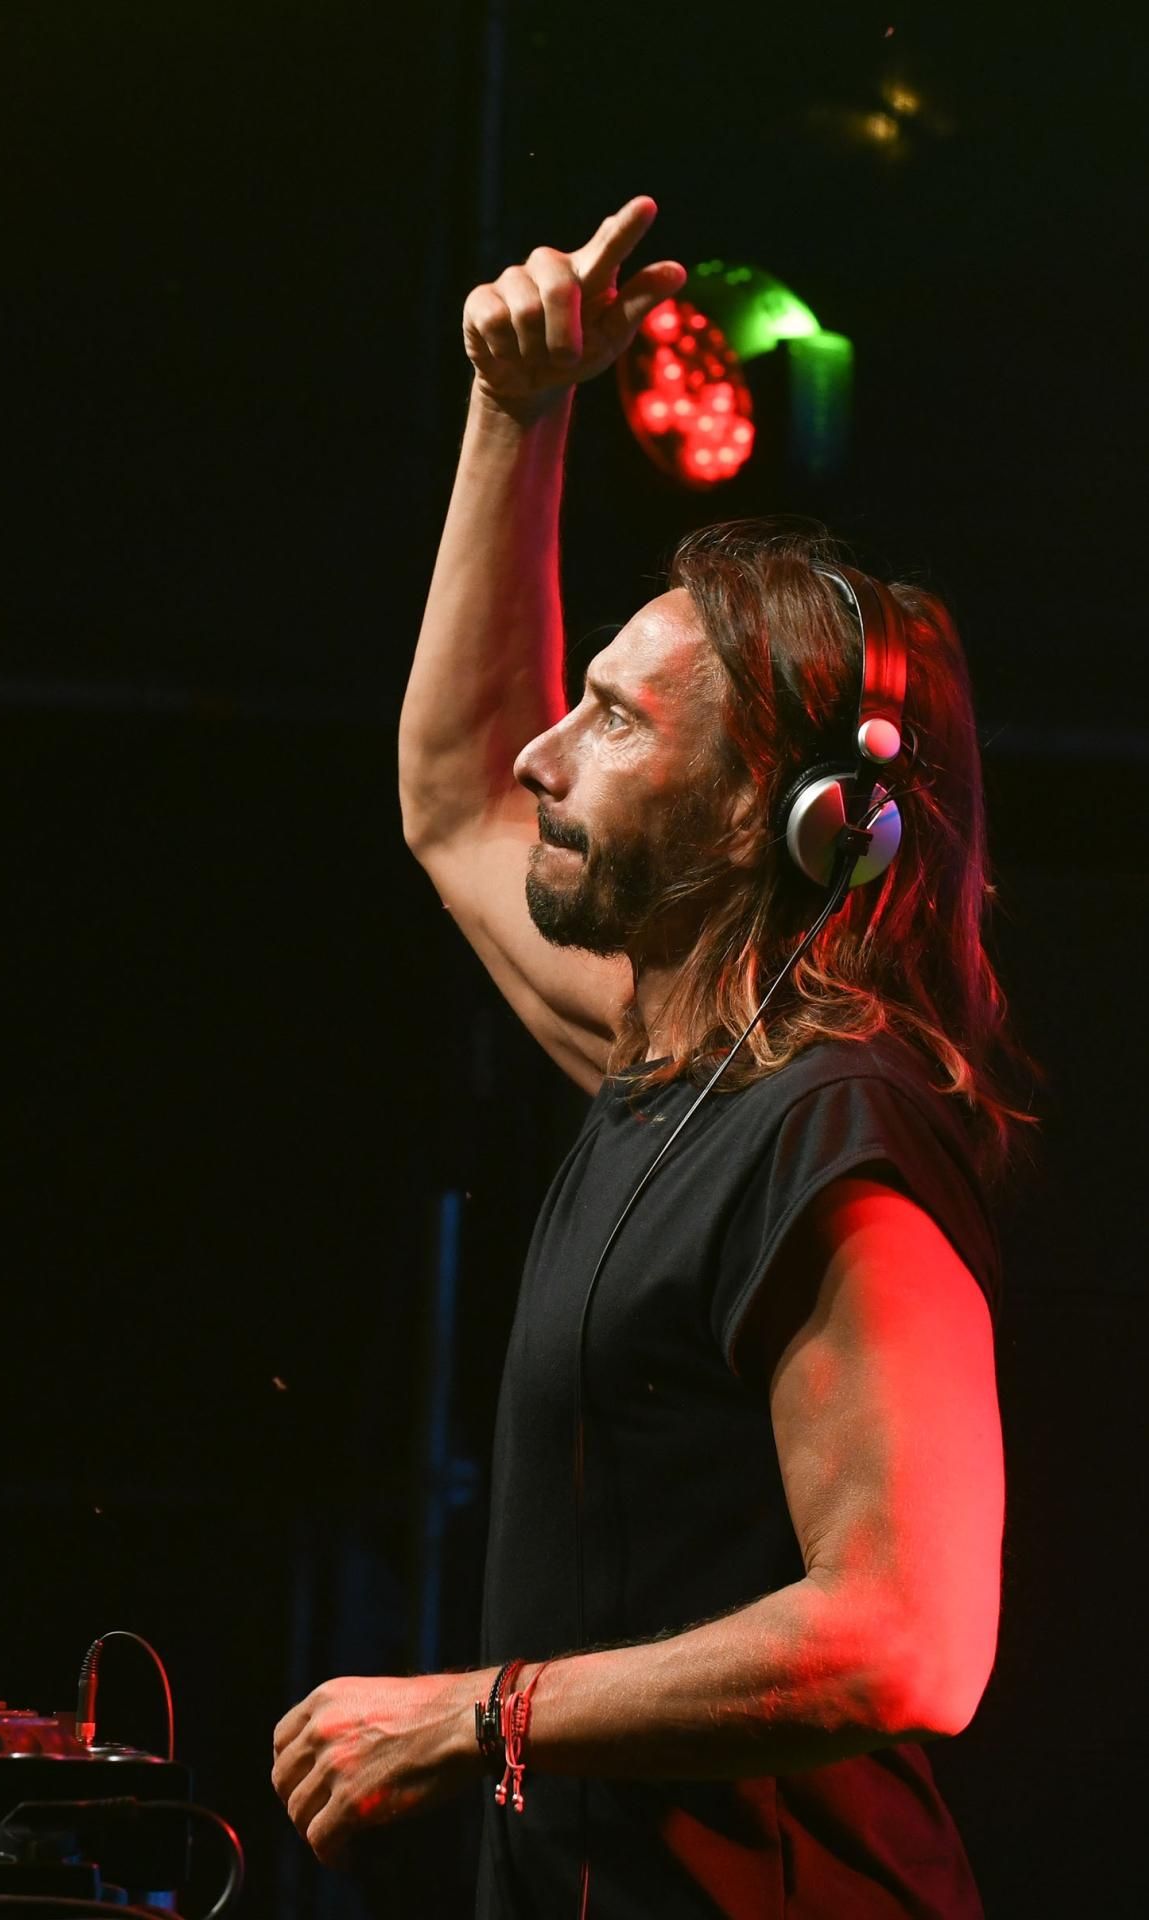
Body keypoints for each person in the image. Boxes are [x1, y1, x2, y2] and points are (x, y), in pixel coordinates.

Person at [269, 197, 1025, 1916]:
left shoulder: (838, 1132)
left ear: (779, 813)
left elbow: (907, 1639)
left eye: (612, 719)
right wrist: (514, 409)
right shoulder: (668, 1070)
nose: (546, 753)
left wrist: (478, 1715)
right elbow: (454, 795)